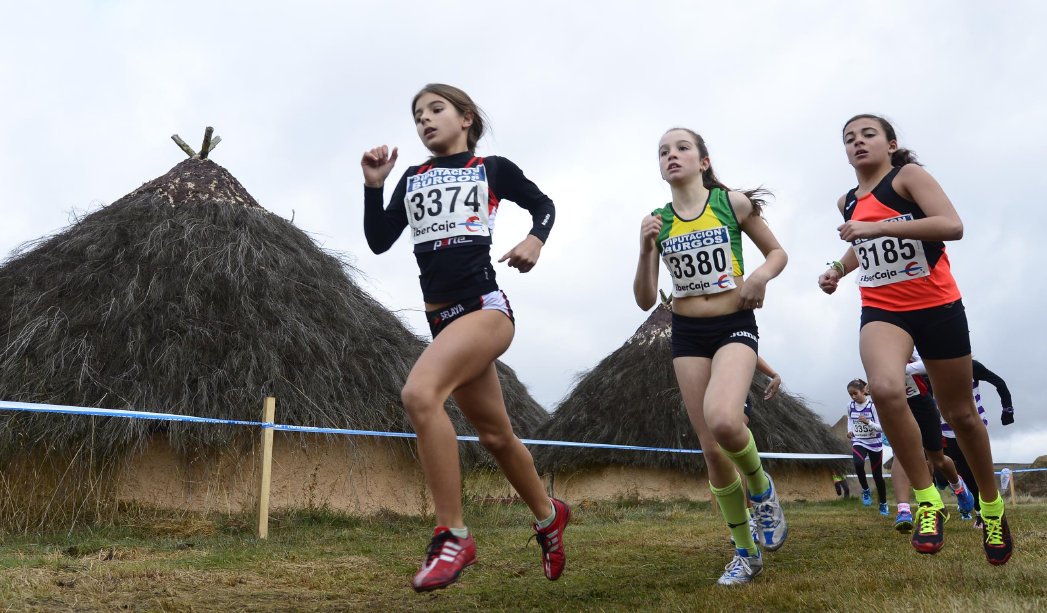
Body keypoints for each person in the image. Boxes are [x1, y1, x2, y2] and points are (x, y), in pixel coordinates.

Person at [361, 83, 569, 592]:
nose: (425, 121)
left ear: (466, 118)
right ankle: (549, 516)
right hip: (442, 320)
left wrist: (534, 241)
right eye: (417, 117)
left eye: (436, 110)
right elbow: (378, 240)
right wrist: (373, 185)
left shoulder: (492, 169)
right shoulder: (412, 177)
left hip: (485, 310)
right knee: (497, 436)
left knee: (419, 393)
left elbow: (544, 205)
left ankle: (453, 535)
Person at [818, 114, 1012, 565]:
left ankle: (992, 507)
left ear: (890, 143)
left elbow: (951, 225)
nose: (858, 143)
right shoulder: (847, 200)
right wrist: (839, 269)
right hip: (883, 308)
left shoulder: (909, 177)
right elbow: (860, 242)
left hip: (937, 306)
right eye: (849, 139)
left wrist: (882, 228)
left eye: (868, 135)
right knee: (885, 389)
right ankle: (928, 502)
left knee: (960, 414)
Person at [634, 127, 788, 585]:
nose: (671, 155)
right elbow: (645, 299)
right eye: (663, 151)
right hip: (686, 332)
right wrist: (645, 250)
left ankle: (761, 488)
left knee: (724, 419)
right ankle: (745, 553)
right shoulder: (657, 220)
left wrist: (759, 277)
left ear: (703, 161)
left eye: (681, 148)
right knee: (711, 450)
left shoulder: (731, 203)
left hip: (733, 323)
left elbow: (777, 252)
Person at [907, 355, 1015, 528]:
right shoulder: (929, 369)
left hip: (973, 426)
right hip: (947, 430)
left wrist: (1007, 409)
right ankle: (979, 512)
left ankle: (991, 511)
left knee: (978, 471)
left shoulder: (970, 366)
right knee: (963, 472)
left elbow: (999, 383)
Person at [891, 349, 976, 533]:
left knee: (937, 460)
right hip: (897, 404)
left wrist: (903, 369)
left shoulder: (907, 340)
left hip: (920, 402)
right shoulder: (872, 343)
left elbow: (929, 364)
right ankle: (903, 510)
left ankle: (958, 486)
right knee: (901, 454)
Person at [845, 378, 888, 515]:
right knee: (858, 464)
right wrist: (849, 431)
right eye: (850, 394)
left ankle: (883, 503)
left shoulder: (873, 406)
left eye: (855, 393)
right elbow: (850, 420)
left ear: (863, 391)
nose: (853, 396)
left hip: (874, 444)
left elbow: (882, 428)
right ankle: (866, 490)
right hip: (859, 441)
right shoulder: (850, 406)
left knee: (877, 476)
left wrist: (868, 422)